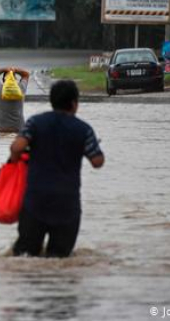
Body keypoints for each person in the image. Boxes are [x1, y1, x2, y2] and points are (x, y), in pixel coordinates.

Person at [8, 80, 105, 258]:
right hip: (67, 205)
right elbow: (97, 161)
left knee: (24, 257)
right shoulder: (83, 130)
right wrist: (90, 146)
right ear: (74, 103)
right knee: (59, 260)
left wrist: (14, 164)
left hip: (35, 202)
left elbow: (16, 148)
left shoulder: (35, 123)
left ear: (52, 101)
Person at [0, 67, 30, 134]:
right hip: (18, 131)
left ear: (3, 80)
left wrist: (5, 69)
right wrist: (15, 70)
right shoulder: (21, 89)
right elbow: (26, 74)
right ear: (15, 80)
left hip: (2, 130)